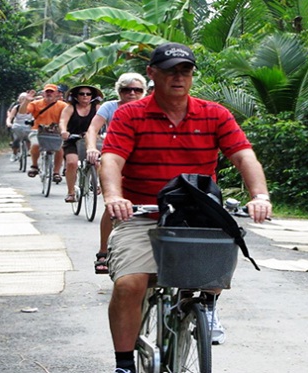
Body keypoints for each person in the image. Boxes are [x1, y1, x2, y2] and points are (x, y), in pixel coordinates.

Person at [100, 42, 273, 373]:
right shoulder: (130, 114)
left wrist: (260, 195)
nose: (178, 77)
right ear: (152, 74)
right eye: (169, 71)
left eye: (185, 70)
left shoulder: (214, 113)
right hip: (143, 215)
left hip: (196, 214)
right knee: (129, 284)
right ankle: (124, 365)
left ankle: (198, 306)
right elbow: (112, 158)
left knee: (216, 267)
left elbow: (242, 155)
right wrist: (113, 197)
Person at [84, 73, 147, 274]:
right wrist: (92, 148)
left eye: (137, 90)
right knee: (111, 204)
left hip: (142, 159)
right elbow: (93, 129)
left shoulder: (149, 108)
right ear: (119, 91)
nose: (132, 93)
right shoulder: (109, 107)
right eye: (126, 90)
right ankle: (103, 252)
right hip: (115, 156)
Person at [58, 85, 103, 202]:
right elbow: (63, 121)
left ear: (92, 96)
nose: (85, 96)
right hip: (72, 139)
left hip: (92, 140)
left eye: (88, 94)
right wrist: (64, 131)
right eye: (82, 94)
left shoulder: (97, 108)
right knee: (72, 163)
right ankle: (71, 192)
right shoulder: (70, 108)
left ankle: (94, 181)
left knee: (97, 163)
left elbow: (107, 120)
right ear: (76, 96)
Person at [18, 84, 67, 179]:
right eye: (47, 92)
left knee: (60, 149)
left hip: (56, 132)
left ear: (56, 93)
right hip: (38, 131)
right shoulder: (35, 103)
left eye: (51, 92)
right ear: (43, 93)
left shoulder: (63, 105)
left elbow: (68, 117)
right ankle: (34, 166)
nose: (49, 94)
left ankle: (56, 172)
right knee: (35, 145)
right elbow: (22, 112)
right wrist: (26, 101)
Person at [8, 92, 34, 162]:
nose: (23, 100)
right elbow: (10, 117)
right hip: (18, 126)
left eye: (25, 98)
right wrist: (9, 123)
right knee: (16, 139)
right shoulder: (16, 108)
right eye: (22, 99)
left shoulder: (32, 107)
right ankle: (14, 153)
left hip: (29, 126)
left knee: (31, 138)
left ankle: (30, 151)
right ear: (19, 100)